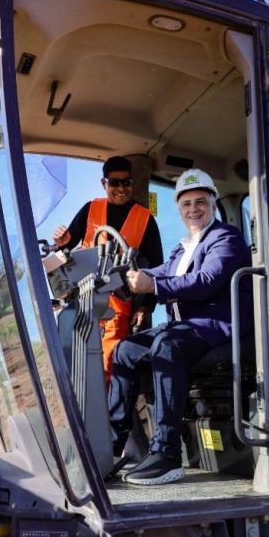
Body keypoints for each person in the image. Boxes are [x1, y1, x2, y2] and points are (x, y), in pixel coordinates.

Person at [107, 169, 251, 485]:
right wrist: (125, 279)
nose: (193, 209)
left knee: (167, 346)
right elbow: (160, 272)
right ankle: (111, 443)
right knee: (126, 349)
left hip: (216, 326)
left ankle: (166, 453)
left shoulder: (226, 238)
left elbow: (206, 280)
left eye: (200, 202)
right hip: (185, 327)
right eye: (186, 204)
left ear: (213, 205)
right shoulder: (184, 246)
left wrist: (153, 286)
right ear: (179, 209)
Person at [53, 156, 163, 382]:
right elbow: (66, 246)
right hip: (82, 302)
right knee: (76, 366)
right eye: (115, 183)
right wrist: (62, 242)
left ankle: (105, 416)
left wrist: (146, 307)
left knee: (108, 366)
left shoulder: (145, 219)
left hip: (119, 306)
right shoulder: (90, 209)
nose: (121, 188)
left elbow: (156, 266)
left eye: (127, 182)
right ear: (104, 184)